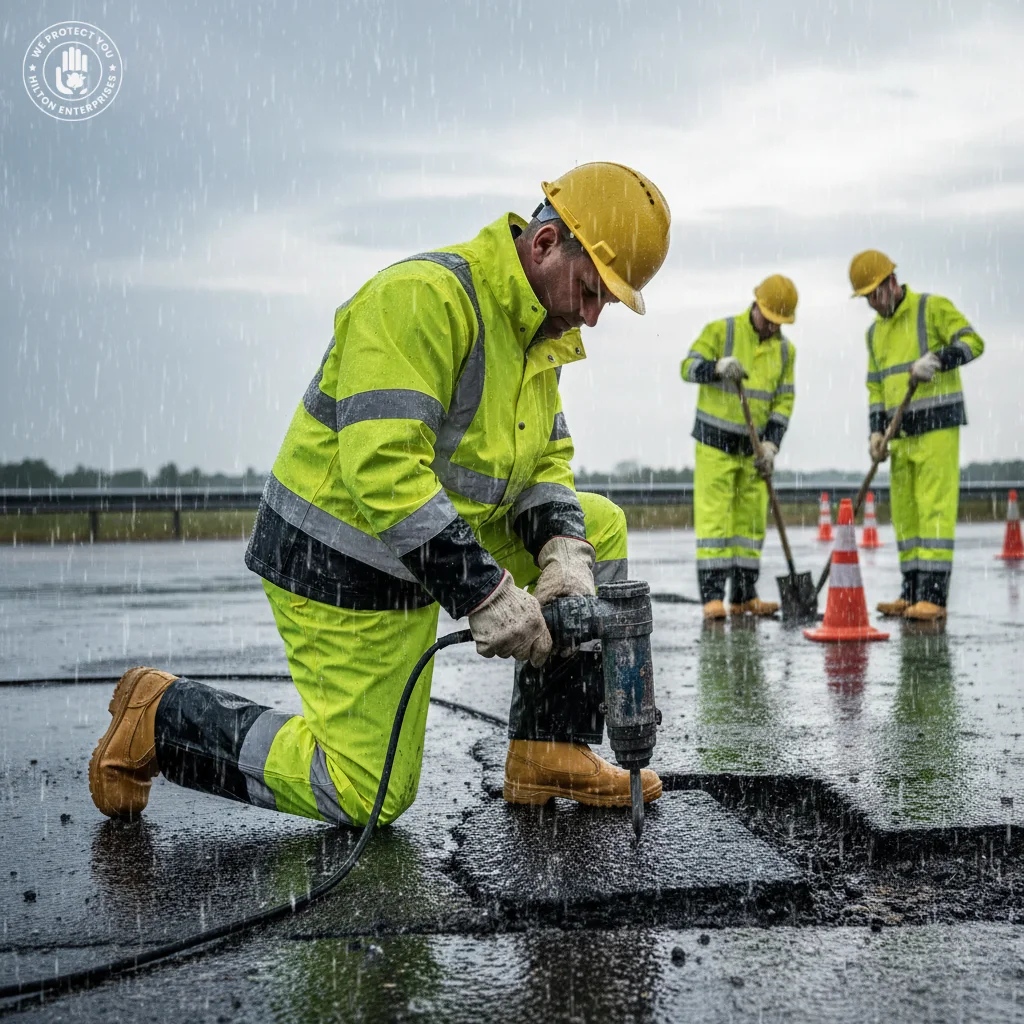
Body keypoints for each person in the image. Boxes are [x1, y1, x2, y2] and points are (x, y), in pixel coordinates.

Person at [89, 162, 672, 826]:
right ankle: (161, 718)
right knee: (367, 791)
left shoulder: (540, 329)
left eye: (606, 304)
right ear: (543, 245)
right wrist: (484, 594)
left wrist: (565, 554)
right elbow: (383, 470)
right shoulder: (422, 298)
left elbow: (544, 459)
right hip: (340, 555)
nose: (593, 318)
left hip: (422, 544)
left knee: (596, 526)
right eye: (591, 292)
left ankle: (547, 749)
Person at [849, 250, 985, 621]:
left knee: (934, 512)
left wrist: (938, 360)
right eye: (867, 299)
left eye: (876, 294)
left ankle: (934, 598)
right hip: (900, 434)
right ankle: (910, 593)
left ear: (892, 282)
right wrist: (876, 433)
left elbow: (974, 343)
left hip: (937, 428)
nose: (873, 304)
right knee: (906, 517)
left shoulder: (932, 308)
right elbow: (876, 388)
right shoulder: (874, 333)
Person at [681, 276, 798, 619]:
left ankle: (745, 596)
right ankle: (713, 597)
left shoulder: (786, 351)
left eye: (779, 322)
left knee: (749, 526)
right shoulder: (722, 331)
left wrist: (772, 445)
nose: (773, 327)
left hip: (754, 451)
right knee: (715, 522)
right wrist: (716, 368)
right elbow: (687, 368)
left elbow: (784, 400)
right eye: (769, 319)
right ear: (756, 305)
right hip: (715, 443)